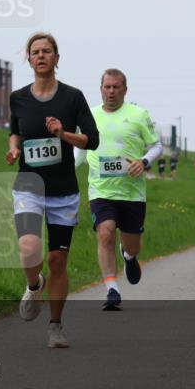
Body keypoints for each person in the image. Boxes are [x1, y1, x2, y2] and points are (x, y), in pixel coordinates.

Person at [7, 33, 98, 348]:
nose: (41, 56)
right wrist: (14, 149)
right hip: (28, 186)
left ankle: (55, 327)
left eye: (47, 51)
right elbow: (15, 132)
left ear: (57, 58)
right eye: (35, 52)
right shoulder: (18, 98)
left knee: (58, 260)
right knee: (28, 247)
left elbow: (92, 140)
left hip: (63, 191)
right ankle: (34, 286)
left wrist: (63, 133)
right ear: (29, 59)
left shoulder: (73, 97)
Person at [75, 69, 162, 311]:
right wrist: (65, 172)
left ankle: (129, 255)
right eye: (107, 87)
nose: (111, 91)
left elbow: (157, 146)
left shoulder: (138, 114)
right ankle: (112, 289)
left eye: (116, 87)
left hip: (132, 192)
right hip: (101, 191)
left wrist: (144, 161)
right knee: (105, 233)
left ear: (125, 90)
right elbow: (80, 150)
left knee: (133, 244)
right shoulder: (90, 116)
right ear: (101, 89)